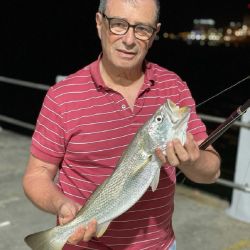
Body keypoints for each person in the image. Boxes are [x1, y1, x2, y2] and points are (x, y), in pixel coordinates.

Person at [22, 0, 221, 249]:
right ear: (99, 24)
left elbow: (212, 171)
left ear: (154, 33)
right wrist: (62, 205)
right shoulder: (62, 96)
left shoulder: (174, 87)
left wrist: (193, 160)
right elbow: (36, 175)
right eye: (118, 25)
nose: (129, 39)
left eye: (142, 29)